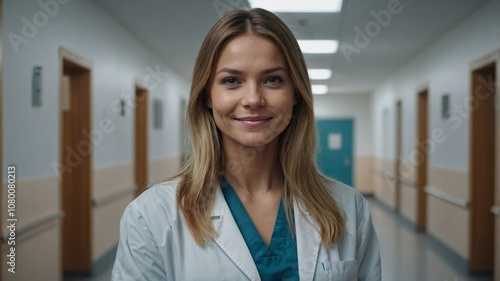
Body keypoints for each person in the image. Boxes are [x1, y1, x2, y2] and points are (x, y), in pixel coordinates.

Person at [112, 8, 381, 281]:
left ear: (296, 94)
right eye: (231, 81)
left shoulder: (349, 207)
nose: (253, 99)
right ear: (207, 96)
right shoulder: (151, 216)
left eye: (272, 80)